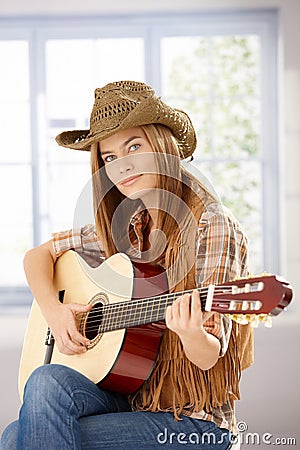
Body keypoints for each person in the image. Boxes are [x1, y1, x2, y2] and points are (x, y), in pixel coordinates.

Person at [0, 80, 253, 449]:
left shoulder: (211, 223)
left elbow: (209, 355)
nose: (122, 165)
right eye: (109, 157)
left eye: (134, 146)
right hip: (134, 403)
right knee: (45, 381)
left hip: (194, 423)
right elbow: (36, 256)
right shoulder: (127, 227)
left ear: (162, 145)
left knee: (14, 438)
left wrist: (189, 331)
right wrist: (55, 312)